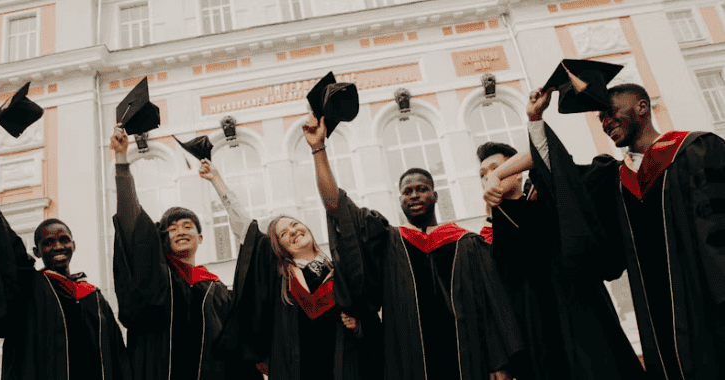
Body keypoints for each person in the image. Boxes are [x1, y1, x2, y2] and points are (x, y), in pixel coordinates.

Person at [485, 83, 725, 380]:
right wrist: (535, 121)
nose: (605, 123)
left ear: (641, 106)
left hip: (708, 300)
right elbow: (564, 179)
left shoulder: (696, 150)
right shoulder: (613, 178)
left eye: (610, 113)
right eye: (600, 118)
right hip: (655, 313)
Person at [302, 115, 524, 380]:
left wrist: (498, 362)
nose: (415, 195)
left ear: (435, 196)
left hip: (470, 359)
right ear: (400, 201)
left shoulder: (468, 243)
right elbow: (337, 207)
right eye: (407, 192)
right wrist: (318, 149)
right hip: (408, 361)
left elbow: (491, 305)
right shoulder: (387, 241)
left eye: (422, 189)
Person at [0, 120, 131, 380]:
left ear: (74, 245)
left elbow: (117, 359)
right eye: (48, 242)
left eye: (63, 239)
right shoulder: (27, 288)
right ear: (37, 252)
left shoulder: (94, 299)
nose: (58, 246)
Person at [200, 158, 383, 380]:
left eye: (295, 224)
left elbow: (370, 318)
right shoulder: (280, 278)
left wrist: (358, 326)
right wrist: (217, 181)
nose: (293, 231)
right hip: (295, 368)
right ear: (279, 248)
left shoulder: (340, 272)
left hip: (342, 366)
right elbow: (246, 229)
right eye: (284, 234)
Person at [477, 141, 645, 380]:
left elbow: (544, 153)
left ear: (517, 173)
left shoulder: (549, 198)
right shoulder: (488, 236)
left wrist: (497, 175)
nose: (488, 178)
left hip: (583, 317)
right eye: (482, 175)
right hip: (539, 337)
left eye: (496, 168)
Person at [109, 127, 260, 380]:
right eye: (171, 228)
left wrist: (217, 181)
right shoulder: (157, 276)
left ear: (200, 238)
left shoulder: (217, 289)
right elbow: (132, 224)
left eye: (188, 226)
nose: (180, 231)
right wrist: (122, 160)